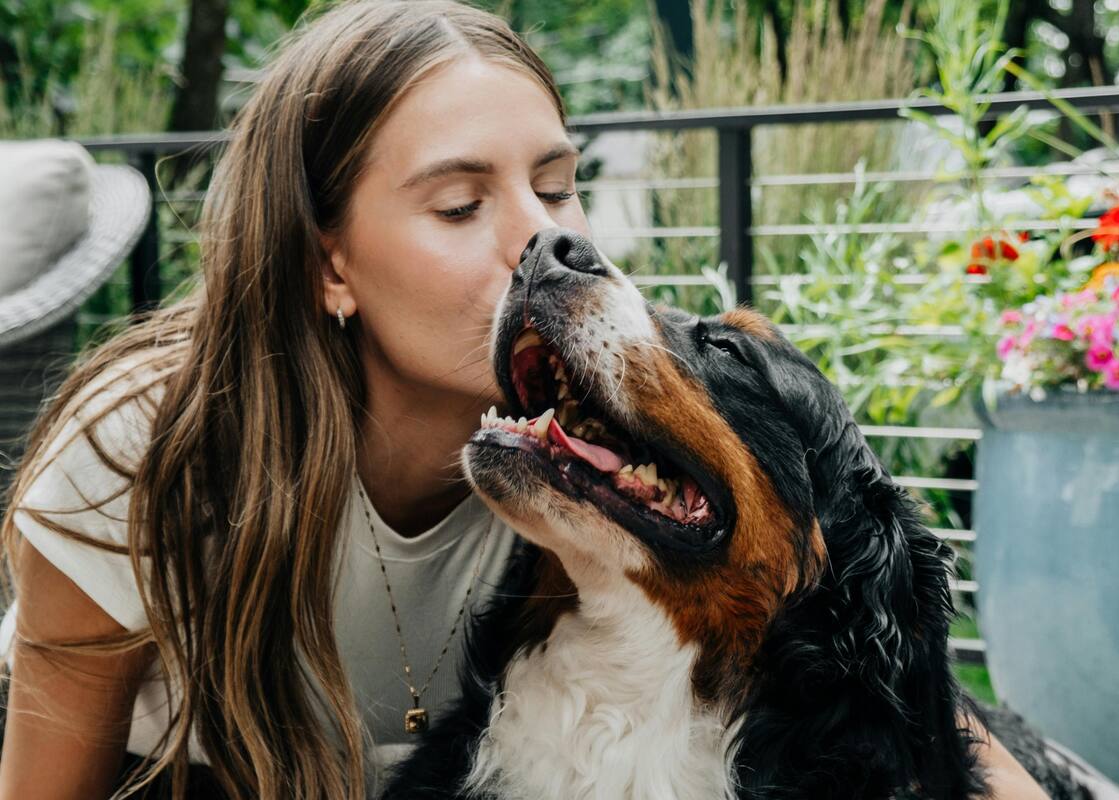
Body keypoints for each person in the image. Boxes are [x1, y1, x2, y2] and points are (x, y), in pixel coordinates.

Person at [0, 1, 1052, 798]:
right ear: (329, 265)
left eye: (554, 187)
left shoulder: (572, 444)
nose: (541, 240)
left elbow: (860, 643)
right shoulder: (144, 452)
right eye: (460, 204)